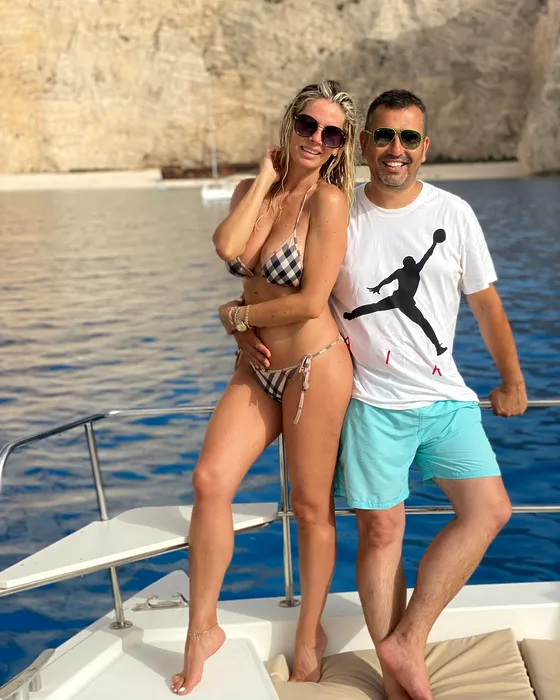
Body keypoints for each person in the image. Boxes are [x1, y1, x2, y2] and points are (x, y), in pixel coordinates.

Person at [329, 89, 528, 700]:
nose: (396, 149)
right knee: (381, 533)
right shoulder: (338, 213)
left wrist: (513, 381)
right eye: (385, 136)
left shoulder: (454, 212)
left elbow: (486, 304)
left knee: (489, 510)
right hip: (370, 401)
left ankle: (407, 640)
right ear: (365, 145)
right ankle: (397, 682)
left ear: (425, 147)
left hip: (445, 399)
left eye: (409, 138)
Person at [171, 80, 358, 695]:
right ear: (290, 124)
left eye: (331, 134)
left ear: (341, 146)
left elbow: (308, 301)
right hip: (254, 366)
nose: (316, 139)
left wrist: (237, 317)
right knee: (209, 480)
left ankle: (309, 635)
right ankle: (202, 629)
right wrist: (263, 176)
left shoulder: (329, 202)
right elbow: (227, 247)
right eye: (307, 125)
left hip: (313, 367)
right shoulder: (253, 191)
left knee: (310, 507)